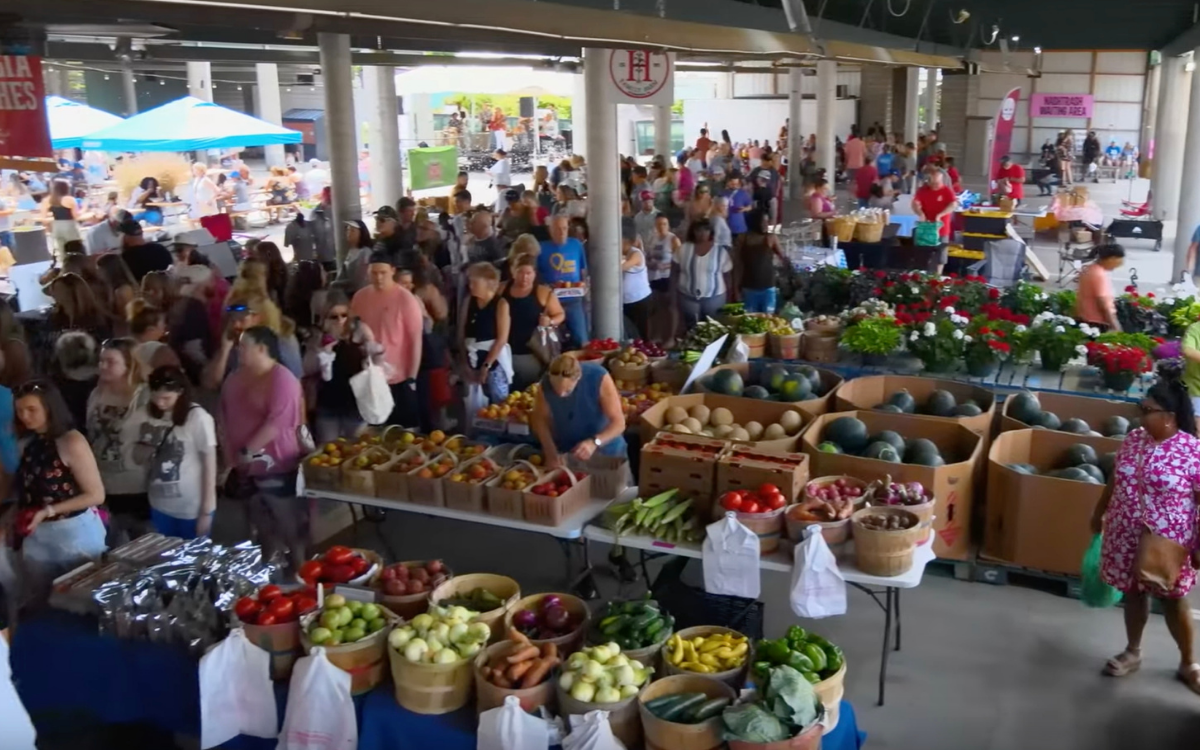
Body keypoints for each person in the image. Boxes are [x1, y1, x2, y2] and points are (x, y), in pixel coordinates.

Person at [1090, 366, 1200, 693]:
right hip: (1126, 532)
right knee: (1134, 592)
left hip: (1170, 541)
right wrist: (1099, 512)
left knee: (1173, 598)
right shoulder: (1135, 440)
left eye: (1147, 411)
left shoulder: (1192, 452)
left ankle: (1188, 662)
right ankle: (1133, 651)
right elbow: (1116, 477)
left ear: (1169, 417)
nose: (1140, 417)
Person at [7, 381, 107, 593]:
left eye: (31, 410)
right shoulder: (28, 443)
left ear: (49, 408)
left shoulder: (72, 441)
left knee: (84, 596)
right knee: (42, 599)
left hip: (74, 532)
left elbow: (96, 494)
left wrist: (49, 511)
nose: (25, 416)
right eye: (20, 411)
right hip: (38, 533)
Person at [220, 326, 306, 570]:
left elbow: (277, 422)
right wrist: (230, 458)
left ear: (261, 348)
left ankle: (300, 568)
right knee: (258, 520)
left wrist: (247, 451)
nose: (239, 350)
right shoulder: (235, 377)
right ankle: (269, 565)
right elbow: (224, 416)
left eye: (243, 345)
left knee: (286, 519)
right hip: (243, 466)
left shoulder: (282, 379)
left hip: (276, 463)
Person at [127, 366, 218, 539]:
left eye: (166, 398)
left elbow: (209, 465)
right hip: (159, 505)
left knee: (192, 560)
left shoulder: (198, 417)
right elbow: (136, 458)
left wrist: (206, 510)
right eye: (155, 396)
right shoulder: (147, 414)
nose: (160, 403)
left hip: (191, 507)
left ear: (180, 392)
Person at [85, 337, 150, 544]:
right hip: (103, 485)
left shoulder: (146, 397)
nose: (102, 366)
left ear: (129, 365)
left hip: (137, 487)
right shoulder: (96, 393)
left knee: (143, 546)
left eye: (110, 362)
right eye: (101, 360)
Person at [350, 252, 424, 426]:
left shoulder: (405, 299)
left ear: (392, 271)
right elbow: (353, 329)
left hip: (399, 377)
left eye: (383, 272)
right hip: (370, 375)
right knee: (374, 430)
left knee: (405, 430)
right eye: (374, 273)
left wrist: (411, 378)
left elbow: (415, 341)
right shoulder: (360, 297)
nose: (378, 277)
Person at [304, 293, 380, 442]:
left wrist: (370, 353)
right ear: (325, 318)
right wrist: (322, 350)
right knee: (327, 452)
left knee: (357, 450)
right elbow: (307, 368)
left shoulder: (360, 331)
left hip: (356, 403)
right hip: (327, 404)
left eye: (344, 315)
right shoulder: (319, 337)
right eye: (334, 316)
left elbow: (375, 360)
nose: (340, 320)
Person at [530, 355, 627, 471]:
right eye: (556, 390)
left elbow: (619, 423)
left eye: (567, 391)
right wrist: (550, 452)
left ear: (578, 378)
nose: (561, 395)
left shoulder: (598, 377)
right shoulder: (544, 386)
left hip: (608, 453)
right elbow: (540, 420)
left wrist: (594, 442)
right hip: (570, 454)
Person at [502, 253, 565, 391]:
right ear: (513, 272)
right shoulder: (501, 290)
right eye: (521, 272)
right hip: (504, 352)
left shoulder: (543, 292)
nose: (525, 277)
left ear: (535, 274)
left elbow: (560, 314)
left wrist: (550, 321)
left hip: (532, 353)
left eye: (528, 273)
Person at [539, 215, 590, 349]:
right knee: (553, 342)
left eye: (564, 229)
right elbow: (536, 275)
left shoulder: (576, 244)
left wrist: (585, 285)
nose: (562, 233)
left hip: (574, 298)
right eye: (557, 229)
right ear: (550, 230)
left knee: (581, 338)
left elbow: (583, 270)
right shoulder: (541, 248)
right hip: (552, 301)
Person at [674, 218, 732, 329]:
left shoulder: (720, 252)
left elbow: (727, 276)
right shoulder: (683, 249)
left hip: (715, 298)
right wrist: (673, 295)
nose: (701, 234)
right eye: (698, 230)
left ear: (711, 232)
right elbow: (674, 272)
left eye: (705, 230)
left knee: (714, 327)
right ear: (693, 232)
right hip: (687, 297)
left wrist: (730, 295)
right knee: (691, 327)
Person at [734, 209, 787, 314]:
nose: (767, 225)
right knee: (751, 320)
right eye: (763, 222)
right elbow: (738, 265)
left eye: (767, 221)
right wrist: (736, 289)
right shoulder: (742, 238)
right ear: (755, 222)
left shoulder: (770, 237)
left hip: (768, 286)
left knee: (768, 319)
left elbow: (783, 257)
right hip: (749, 287)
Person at [912, 167, 959, 272]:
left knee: (940, 257)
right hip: (925, 228)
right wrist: (920, 213)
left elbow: (953, 204)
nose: (934, 186)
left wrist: (940, 215)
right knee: (922, 255)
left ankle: (937, 277)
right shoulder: (922, 190)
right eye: (932, 183)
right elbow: (915, 203)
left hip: (941, 228)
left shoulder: (947, 191)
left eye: (937, 183)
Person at [1075, 243, 1125, 332]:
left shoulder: (1088, 269)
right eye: (1118, 263)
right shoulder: (1099, 275)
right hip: (1097, 321)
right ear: (1111, 259)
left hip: (1084, 316)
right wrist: (1115, 325)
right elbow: (1102, 302)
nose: (1118, 266)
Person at [127, 300, 181, 375]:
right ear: (150, 330)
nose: (165, 327)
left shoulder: (125, 346)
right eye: (162, 324)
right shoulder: (161, 351)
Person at [621, 223, 652, 341]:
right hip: (626, 301)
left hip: (640, 301)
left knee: (642, 334)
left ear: (626, 241)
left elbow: (622, 267)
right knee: (630, 333)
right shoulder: (623, 254)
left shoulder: (636, 254)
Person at [40, 179, 81, 261]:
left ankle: (64, 267)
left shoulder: (47, 200)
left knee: (62, 251)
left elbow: (43, 217)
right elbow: (76, 216)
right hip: (70, 226)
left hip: (56, 226)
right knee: (75, 248)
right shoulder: (70, 199)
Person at [489, 149, 512, 214]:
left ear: (499, 154)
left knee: (502, 195)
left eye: (495, 154)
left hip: (501, 181)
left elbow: (495, 171)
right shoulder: (504, 162)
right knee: (502, 195)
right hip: (502, 181)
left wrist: (490, 172)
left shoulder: (502, 162)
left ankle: (499, 210)